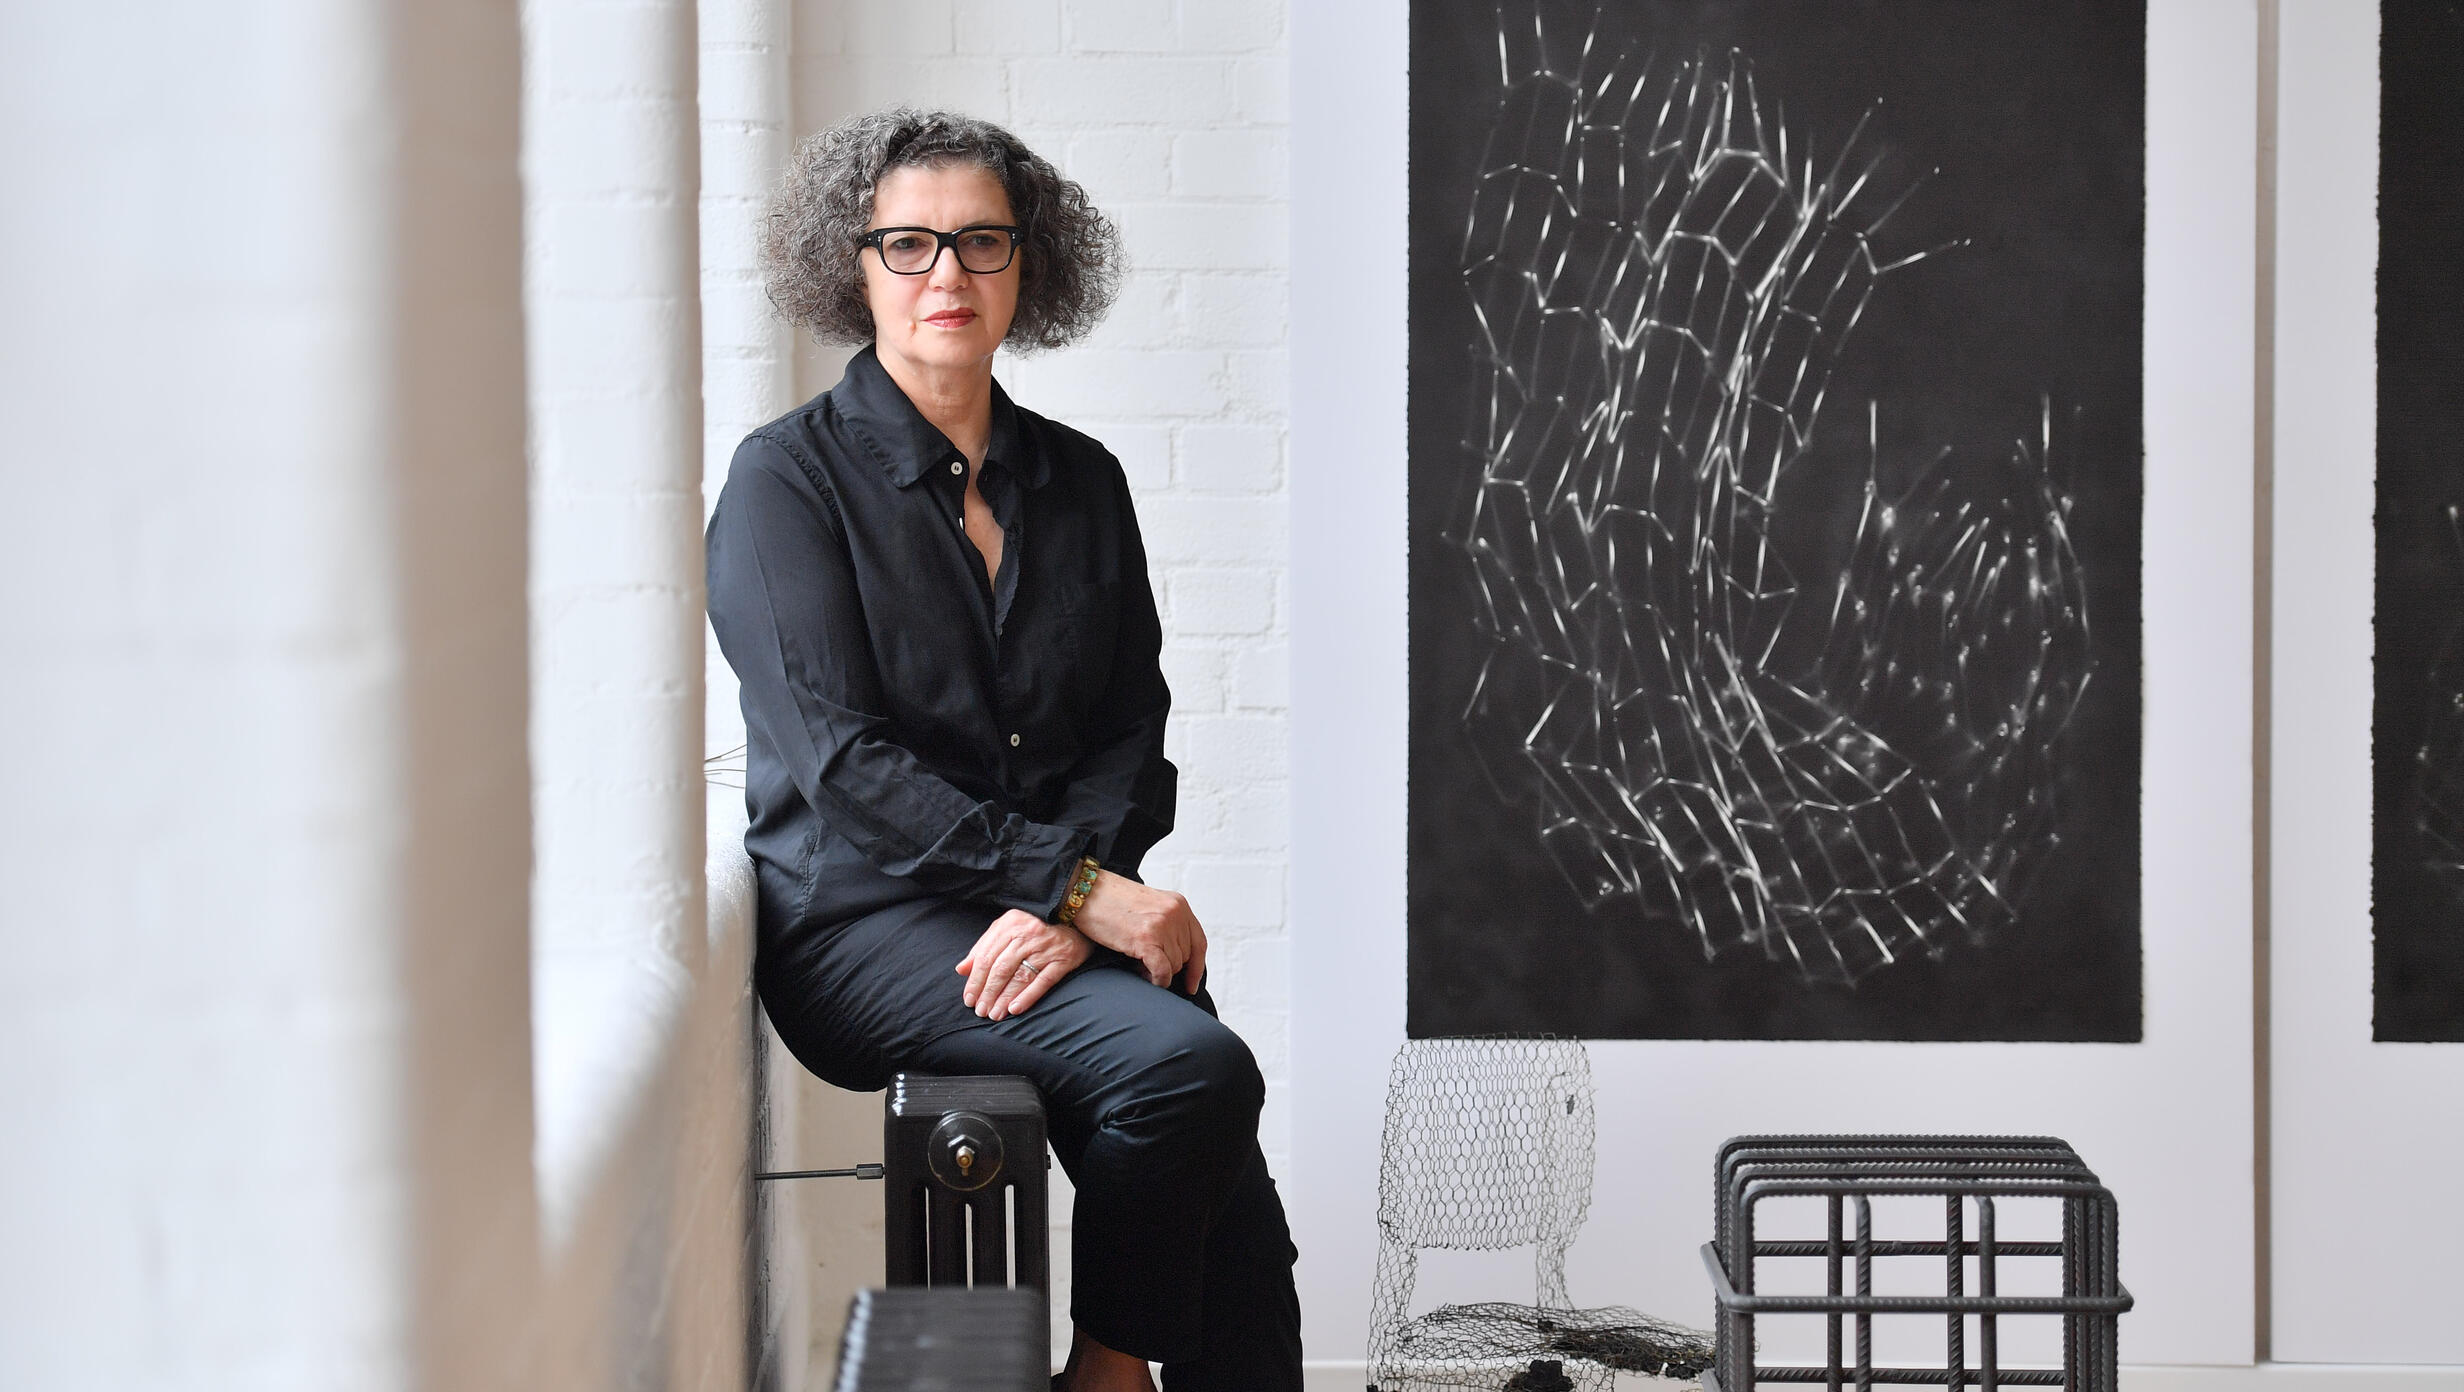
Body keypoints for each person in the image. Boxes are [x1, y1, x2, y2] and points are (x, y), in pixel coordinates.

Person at [704, 107, 1301, 1392]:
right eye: (908, 244)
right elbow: (847, 770)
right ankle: (1105, 1374)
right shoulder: (783, 485)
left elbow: (1127, 731)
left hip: (1056, 905)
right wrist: (1082, 891)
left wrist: (1075, 904)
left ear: (1030, 264)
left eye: (982, 242)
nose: (947, 278)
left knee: (1233, 1207)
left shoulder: (1082, 481)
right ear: (850, 263)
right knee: (1193, 1064)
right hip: (862, 924)